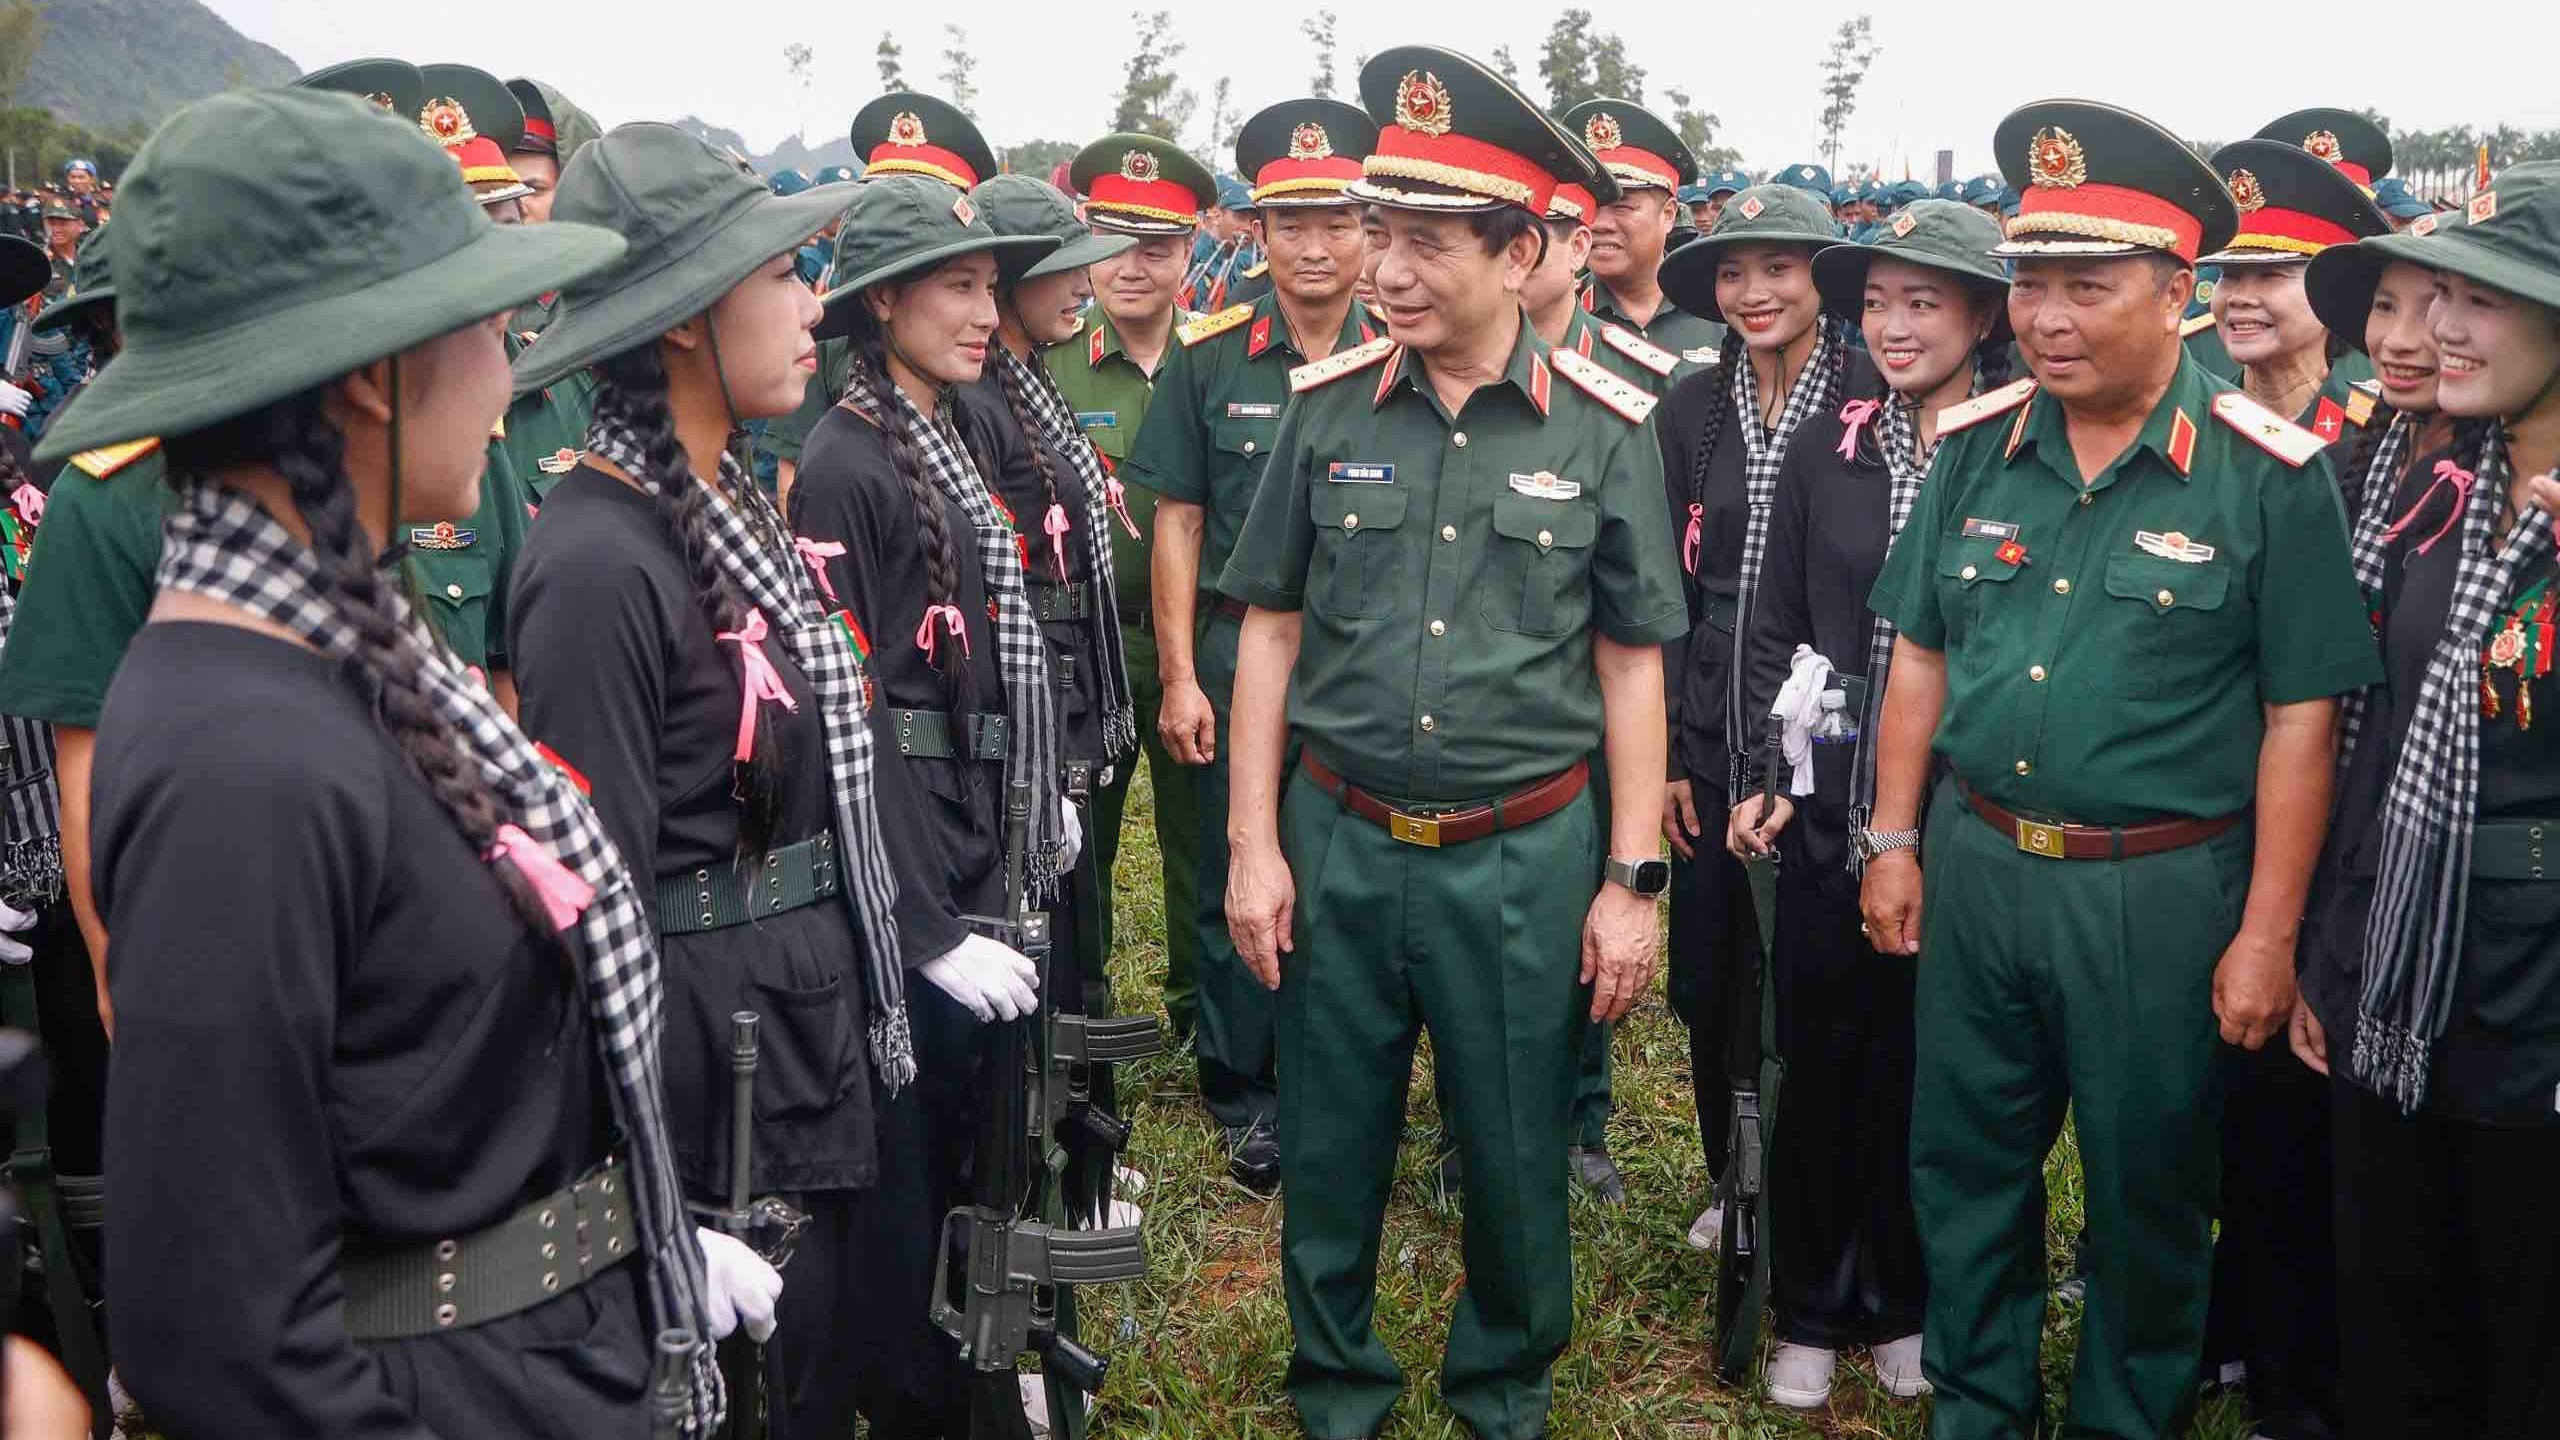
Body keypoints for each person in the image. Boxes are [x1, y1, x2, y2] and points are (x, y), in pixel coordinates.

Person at [39, 84, 764, 1435]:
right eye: (489, 330)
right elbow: (218, 1338)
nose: (510, 384)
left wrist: (613, 1243)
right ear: (372, 377)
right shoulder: (240, 758)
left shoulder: (323, 668)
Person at [1857, 99, 2384, 1440]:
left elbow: (2301, 720)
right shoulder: (1976, 447)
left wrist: (2267, 934)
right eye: (2032, 283)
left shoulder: (2270, 478)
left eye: (2087, 286)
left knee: (2152, 1186)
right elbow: (1917, 651)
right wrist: (1895, 836)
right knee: (1965, 1166)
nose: (2046, 317)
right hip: (1978, 867)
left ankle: (2123, 1414)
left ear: (2175, 291)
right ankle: (1977, 1404)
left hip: (2158, 892)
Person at [1220, 47, 1685, 1440]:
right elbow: (1273, 635)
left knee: (1515, 1149)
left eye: (1426, 241)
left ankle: (1503, 1393)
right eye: (1382, 235)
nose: (1388, 269)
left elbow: (1630, 663)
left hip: (1522, 859)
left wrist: (1632, 878)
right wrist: (1252, 847)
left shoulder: (1608, 431)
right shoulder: (1326, 412)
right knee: (1333, 1139)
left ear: (1522, 248)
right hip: (1341, 841)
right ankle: (1337, 1393)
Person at [504, 122, 912, 1439]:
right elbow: (594, 911)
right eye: (787, 274)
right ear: (684, 320)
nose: (817, 305)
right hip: (711, 1071)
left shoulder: (727, 509)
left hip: (792, 1029)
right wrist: (651, 1203)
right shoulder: (598, 562)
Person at [785, 173, 1070, 1435]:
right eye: (955, 287)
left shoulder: (943, 428)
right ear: (883, 300)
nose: (983, 311)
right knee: (916, 1152)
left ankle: (964, 1364)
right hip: (913, 841)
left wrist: (1031, 782)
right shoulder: (841, 459)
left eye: (988, 286)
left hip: (971, 812)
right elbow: (849, 721)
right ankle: (918, 1379)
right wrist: (921, 925)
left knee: (978, 1126)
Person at [1726, 198, 2013, 1410]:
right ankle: (1808, 1304)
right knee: (1822, 1049)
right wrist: (1760, 767)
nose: (1894, 328)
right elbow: (1773, 619)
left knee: (1925, 1070)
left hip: (1964, 810)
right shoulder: (1827, 445)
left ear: (1983, 316)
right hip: (1825, 796)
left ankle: (1900, 1298)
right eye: (1879, 303)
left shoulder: (2021, 446)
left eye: (1924, 303)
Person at [2294, 162, 2560, 1439]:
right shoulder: (2439, 499)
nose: (2439, 328)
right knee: (2398, 1314)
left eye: (2484, 301)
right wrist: (2324, 958)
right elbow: (2370, 740)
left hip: (2538, 996)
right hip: (2400, 972)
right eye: (2435, 293)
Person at [1123, 98, 1376, 1194]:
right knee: (1242, 852)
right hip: (1235, 651)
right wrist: (1180, 674)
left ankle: (1344, 1081)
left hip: (1361, 658)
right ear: (1254, 235)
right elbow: (1177, 519)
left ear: (1368, 231)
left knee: (1350, 870)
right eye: (1291, 225)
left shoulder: (1402, 350)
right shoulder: (1210, 358)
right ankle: (1246, 1090)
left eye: (1335, 222)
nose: (1314, 247)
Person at [1648, 179, 1847, 1253]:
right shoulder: (1691, 406)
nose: (1754, 290)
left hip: (1830, 722)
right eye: (1733, 270)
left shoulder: (1866, 392)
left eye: (1780, 266)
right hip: (1711, 708)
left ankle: (1818, 1177)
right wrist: (1676, 752)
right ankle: (1731, 1173)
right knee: (1710, 961)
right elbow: (1663, 592)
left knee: (1811, 959)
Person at [972, 170, 1153, 1223]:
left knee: (1079, 939)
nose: (1083, 285)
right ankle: (1060, 1168)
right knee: (1050, 944)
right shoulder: (988, 403)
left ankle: (1082, 1146)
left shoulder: (1027, 382)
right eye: (1061, 270)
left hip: (1075, 704)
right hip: (1040, 714)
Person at [1048, 131, 1216, 1042]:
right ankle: (1085, 1011)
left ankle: (1204, 1013)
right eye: (1112, 241)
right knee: (1081, 840)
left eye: (1156, 246)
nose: (1132, 267)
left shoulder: (1220, 362)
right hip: (1086, 639)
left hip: (1198, 643)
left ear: (1190, 250)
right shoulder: (1052, 362)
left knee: (1203, 839)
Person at [2205, 139, 2389, 472]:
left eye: (2269, 275)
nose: (2239, 296)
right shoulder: (2195, 422)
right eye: (2229, 275)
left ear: (2330, 292)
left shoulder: (2380, 432)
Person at [1566, 99, 1722, 358]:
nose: (1599, 224)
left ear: (1669, 214)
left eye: (1622, 206)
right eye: (1591, 206)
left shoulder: (1718, 312)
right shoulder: (1558, 316)